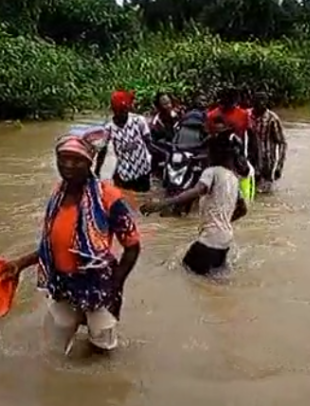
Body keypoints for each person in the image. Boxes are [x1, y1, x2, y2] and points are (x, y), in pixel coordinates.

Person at [0, 127, 141, 354]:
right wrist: (20, 264)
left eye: (77, 161)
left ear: (90, 163)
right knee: (54, 347)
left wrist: (115, 286)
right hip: (63, 283)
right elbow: (55, 245)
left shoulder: (108, 197)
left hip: (99, 285)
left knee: (102, 346)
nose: (68, 166)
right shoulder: (58, 194)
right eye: (63, 159)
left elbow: (133, 248)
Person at [140, 131, 248, 276]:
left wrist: (161, 204)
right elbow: (243, 209)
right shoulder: (234, 179)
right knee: (213, 282)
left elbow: (196, 191)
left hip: (210, 240)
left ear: (215, 153)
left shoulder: (211, 172)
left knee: (183, 273)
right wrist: (223, 222)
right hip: (225, 240)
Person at [95, 90, 153, 192]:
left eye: (123, 110)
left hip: (142, 169)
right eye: (117, 110)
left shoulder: (139, 121)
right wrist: (97, 171)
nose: (121, 113)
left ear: (128, 107)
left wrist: (152, 164)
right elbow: (103, 150)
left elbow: (149, 143)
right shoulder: (109, 127)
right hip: (123, 172)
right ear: (113, 109)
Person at [248, 92, 287, 193]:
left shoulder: (272, 119)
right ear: (252, 102)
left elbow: (282, 143)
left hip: (267, 161)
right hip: (249, 158)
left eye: (263, 101)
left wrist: (279, 165)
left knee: (266, 192)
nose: (260, 104)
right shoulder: (247, 116)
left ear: (266, 103)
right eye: (257, 101)